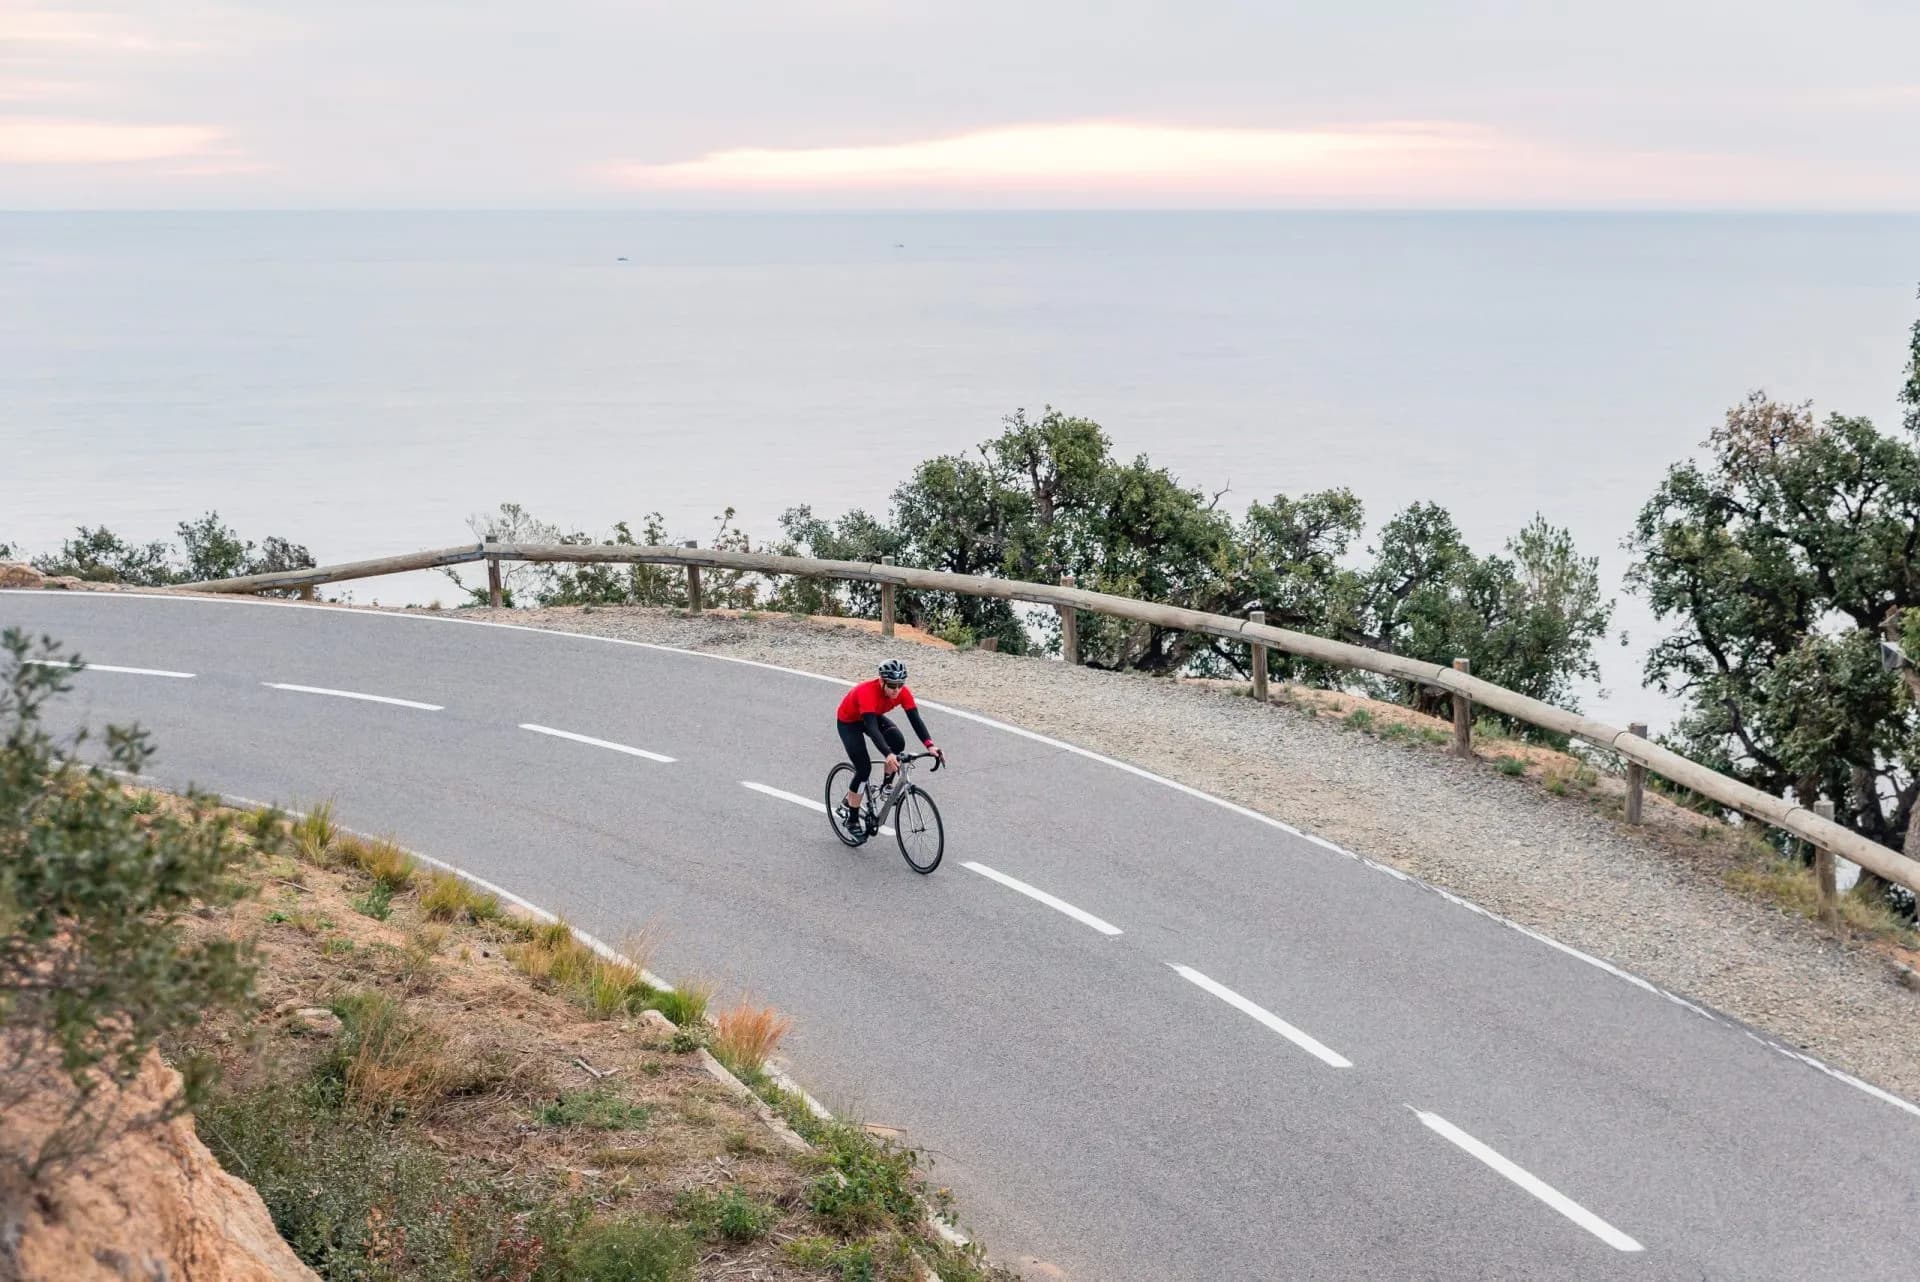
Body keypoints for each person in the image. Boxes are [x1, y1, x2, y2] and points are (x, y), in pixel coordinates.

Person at [836, 659, 942, 830]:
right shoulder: (867, 692)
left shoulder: (902, 692)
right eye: (892, 685)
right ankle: (853, 818)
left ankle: (886, 785)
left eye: (900, 684)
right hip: (849, 722)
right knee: (863, 770)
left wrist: (930, 745)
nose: (897, 690)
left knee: (897, 742)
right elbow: (871, 727)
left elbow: (915, 719)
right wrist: (887, 754)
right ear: (881, 681)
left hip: (871, 715)